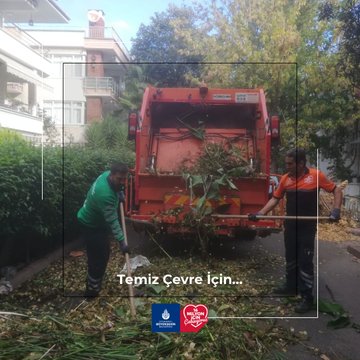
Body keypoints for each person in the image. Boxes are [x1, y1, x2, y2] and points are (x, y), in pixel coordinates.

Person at [249, 148, 343, 313]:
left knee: (305, 261)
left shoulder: (316, 176)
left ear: (301, 163)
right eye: (286, 163)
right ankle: (290, 287)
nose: (287, 166)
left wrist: (336, 210)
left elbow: (337, 190)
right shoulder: (285, 179)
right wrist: (260, 213)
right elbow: (275, 199)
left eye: (290, 163)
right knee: (291, 258)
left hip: (307, 227)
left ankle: (307, 297)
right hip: (291, 225)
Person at [77, 163, 130, 298]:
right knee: (98, 258)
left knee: (103, 253)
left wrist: (120, 193)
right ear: (112, 175)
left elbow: (116, 188)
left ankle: (94, 280)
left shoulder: (106, 175)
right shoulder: (105, 195)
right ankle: (91, 291)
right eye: (120, 179)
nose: (123, 182)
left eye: (125, 179)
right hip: (91, 225)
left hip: (96, 221)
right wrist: (122, 242)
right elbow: (113, 221)